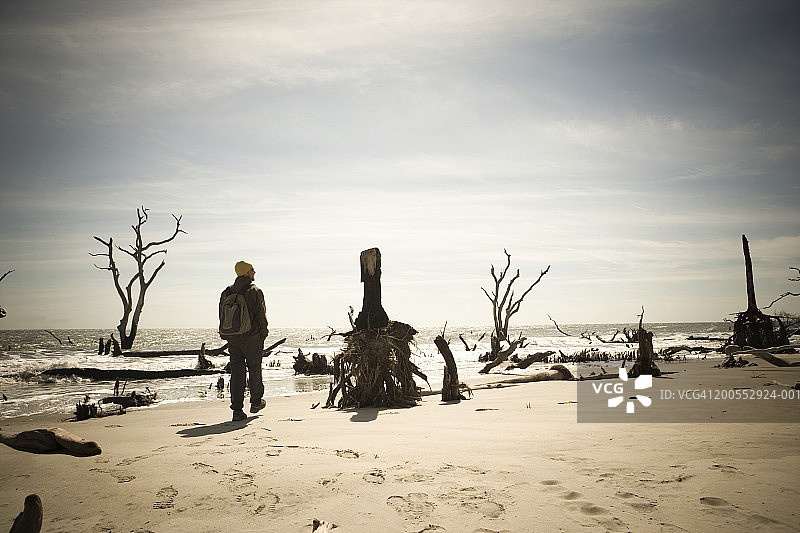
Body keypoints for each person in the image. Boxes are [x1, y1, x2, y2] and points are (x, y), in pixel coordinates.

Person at [219, 260, 269, 421]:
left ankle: (237, 410)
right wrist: (263, 334)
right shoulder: (255, 291)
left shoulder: (227, 292)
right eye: (252, 270)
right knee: (254, 369)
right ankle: (255, 402)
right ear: (246, 272)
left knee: (237, 373)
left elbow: (222, 315)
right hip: (252, 337)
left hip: (233, 339)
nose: (254, 272)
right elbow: (261, 316)